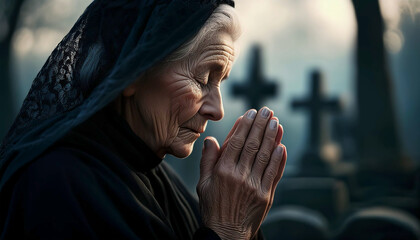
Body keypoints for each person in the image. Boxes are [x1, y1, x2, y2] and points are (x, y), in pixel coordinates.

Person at [0, 0, 287, 239]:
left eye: (220, 81)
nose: (217, 109)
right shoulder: (57, 186)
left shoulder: (152, 172)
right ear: (133, 72)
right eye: (202, 78)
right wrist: (227, 230)